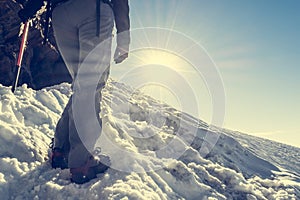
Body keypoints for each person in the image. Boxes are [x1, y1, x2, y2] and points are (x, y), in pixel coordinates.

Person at [18, 0, 130, 184]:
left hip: (60, 15)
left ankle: (61, 150)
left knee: (82, 85)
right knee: (91, 85)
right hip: (93, 10)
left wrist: (32, 7)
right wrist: (124, 39)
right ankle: (81, 161)